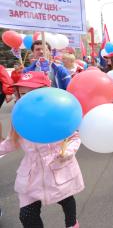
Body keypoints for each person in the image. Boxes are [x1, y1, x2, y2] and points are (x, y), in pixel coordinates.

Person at [0, 71, 83, 228]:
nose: (27, 98)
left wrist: (68, 152)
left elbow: (73, 137)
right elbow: (12, 142)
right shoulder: (20, 117)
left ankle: (72, 224)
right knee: (27, 216)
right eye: (23, 93)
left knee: (66, 199)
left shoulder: (58, 113)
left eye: (33, 93)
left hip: (58, 168)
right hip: (32, 174)